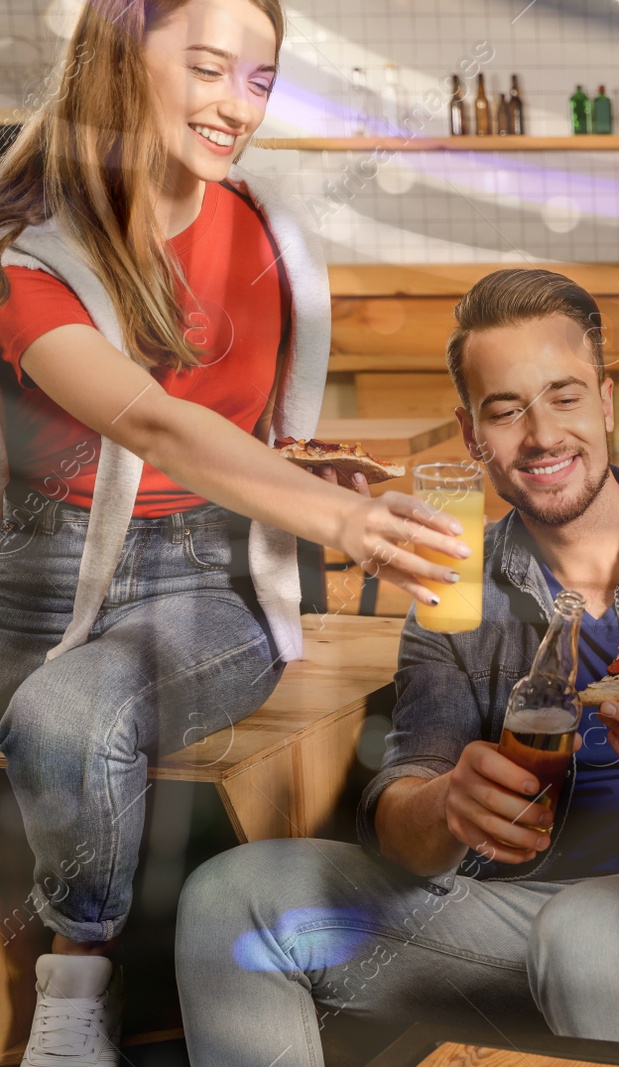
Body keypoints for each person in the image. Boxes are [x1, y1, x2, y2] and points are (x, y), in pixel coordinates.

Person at [173, 267, 619, 1064]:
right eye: (506, 409)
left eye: (564, 395)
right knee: (230, 897)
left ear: (607, 401)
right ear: (471, 433)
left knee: (589, 927)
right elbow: (406, 803)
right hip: (513, 921)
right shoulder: (455, 593)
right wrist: (449, 805)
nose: (543, 435)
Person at [0, 1, 463, 1061]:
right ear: (120, 61)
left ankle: (81, 974)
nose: (236, 106)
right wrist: (342, 516)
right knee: (46, 716)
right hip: (32, 583)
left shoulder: (268, 233)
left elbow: (225, 437)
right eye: (209, 69)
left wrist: (305, 477)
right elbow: (148, 416)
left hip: (204, 587)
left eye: (257, 80)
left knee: (69, 718)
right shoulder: (28, 252)